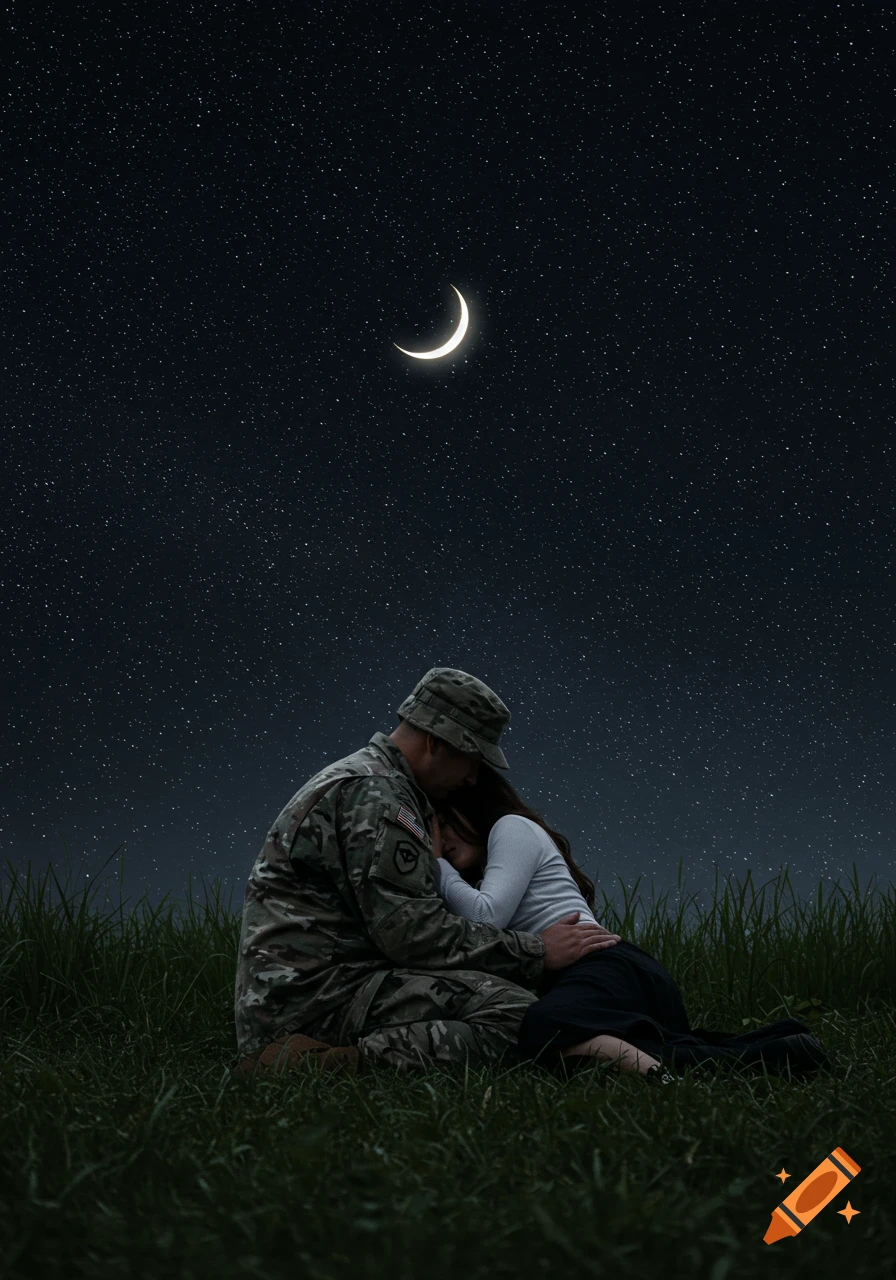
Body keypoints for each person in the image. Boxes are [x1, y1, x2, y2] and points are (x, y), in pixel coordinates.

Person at [233, 667, 620, 1078]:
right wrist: (536, 951)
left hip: (305, 990)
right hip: (317, 1001)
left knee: (513, 1001)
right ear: (437, 742)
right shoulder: (381, 796)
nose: (473, 778)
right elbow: (412, 935)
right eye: (472, 760)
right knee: (521, 1018)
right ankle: (323, 1065)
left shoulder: (367, 779)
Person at [432, 771, 832, 1082]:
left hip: (604, 969)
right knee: (640, 1045)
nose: (440, 838)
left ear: (473, 806)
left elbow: (484, 917)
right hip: (614, 978)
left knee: (543, 1028)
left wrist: (436, 863)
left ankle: (665, 1083)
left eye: (443, 822)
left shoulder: (510, 827)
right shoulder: (484, 874)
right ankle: (784, 1046)